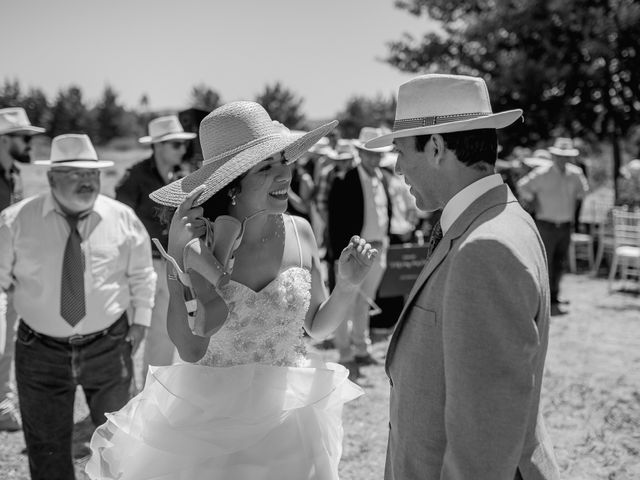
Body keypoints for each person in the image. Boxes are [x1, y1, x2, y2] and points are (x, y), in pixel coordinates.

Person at [86, 101, 378, 480]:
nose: (284, 174)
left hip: (290, 418)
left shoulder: (301, 231)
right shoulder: (202, 245)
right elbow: (190, 350)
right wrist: (178, 257)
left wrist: (349, 285)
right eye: (266, 167)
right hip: (211, 424)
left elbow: (317, 328)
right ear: (233, 184)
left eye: (283, 160)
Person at [366, 74, 560, 480]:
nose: (398, 168)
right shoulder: (499, 220)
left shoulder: (484, 247)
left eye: (401, 151)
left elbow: (484, 443)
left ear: (436, 146)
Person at [0, 134, 156, 480]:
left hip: (109, 346)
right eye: (74, 173)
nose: (87, 180)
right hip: (39, 350)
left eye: (93, 173)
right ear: (51, 178)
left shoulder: (123, 219)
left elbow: (143, 275)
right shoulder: (15, 222)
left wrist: (141, 323)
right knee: (47, 449)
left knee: (118, 447)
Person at [116, 115, 196, 377]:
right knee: (128, 329)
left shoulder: (184, 177)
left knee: (163, 332)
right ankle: (122, 390)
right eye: (175, 144)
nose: (182, 150)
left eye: (182, 144)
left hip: (172, 263)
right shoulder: (134, 177)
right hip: (141, 264)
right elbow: (120, 219)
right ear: (157, 146)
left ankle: (151, 395)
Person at [327, 127, 393, 375]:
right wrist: (340, 255)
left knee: (364, 302)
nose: (375, 158)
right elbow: (335, 222)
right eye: (370, 153)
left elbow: (385, 214)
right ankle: (344, 351)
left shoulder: (381, 178)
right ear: (359, 153)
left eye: (378, 154)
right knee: (345, 301)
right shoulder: (345, 180)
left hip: (378, 249)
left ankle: (361, 348)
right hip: (355, 251)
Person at [0, 107, 45, 432]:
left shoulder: (14, 174)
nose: (31, 144)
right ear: (4, 140)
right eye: (25, 138)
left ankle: (3, 403)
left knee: (7, 342)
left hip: (10, 273)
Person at [518, 137, 589, 315]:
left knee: (560, 262)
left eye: (566, 156)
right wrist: (532, 202)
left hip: (565, 225)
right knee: (544, 263)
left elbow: (583, 193)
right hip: (546, 224)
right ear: (554, 156)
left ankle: (555, 296)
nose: (563, 158)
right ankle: (542, 299)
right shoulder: (543, 173)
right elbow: (523, 186)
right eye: (560, 155)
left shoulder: (575, 174)